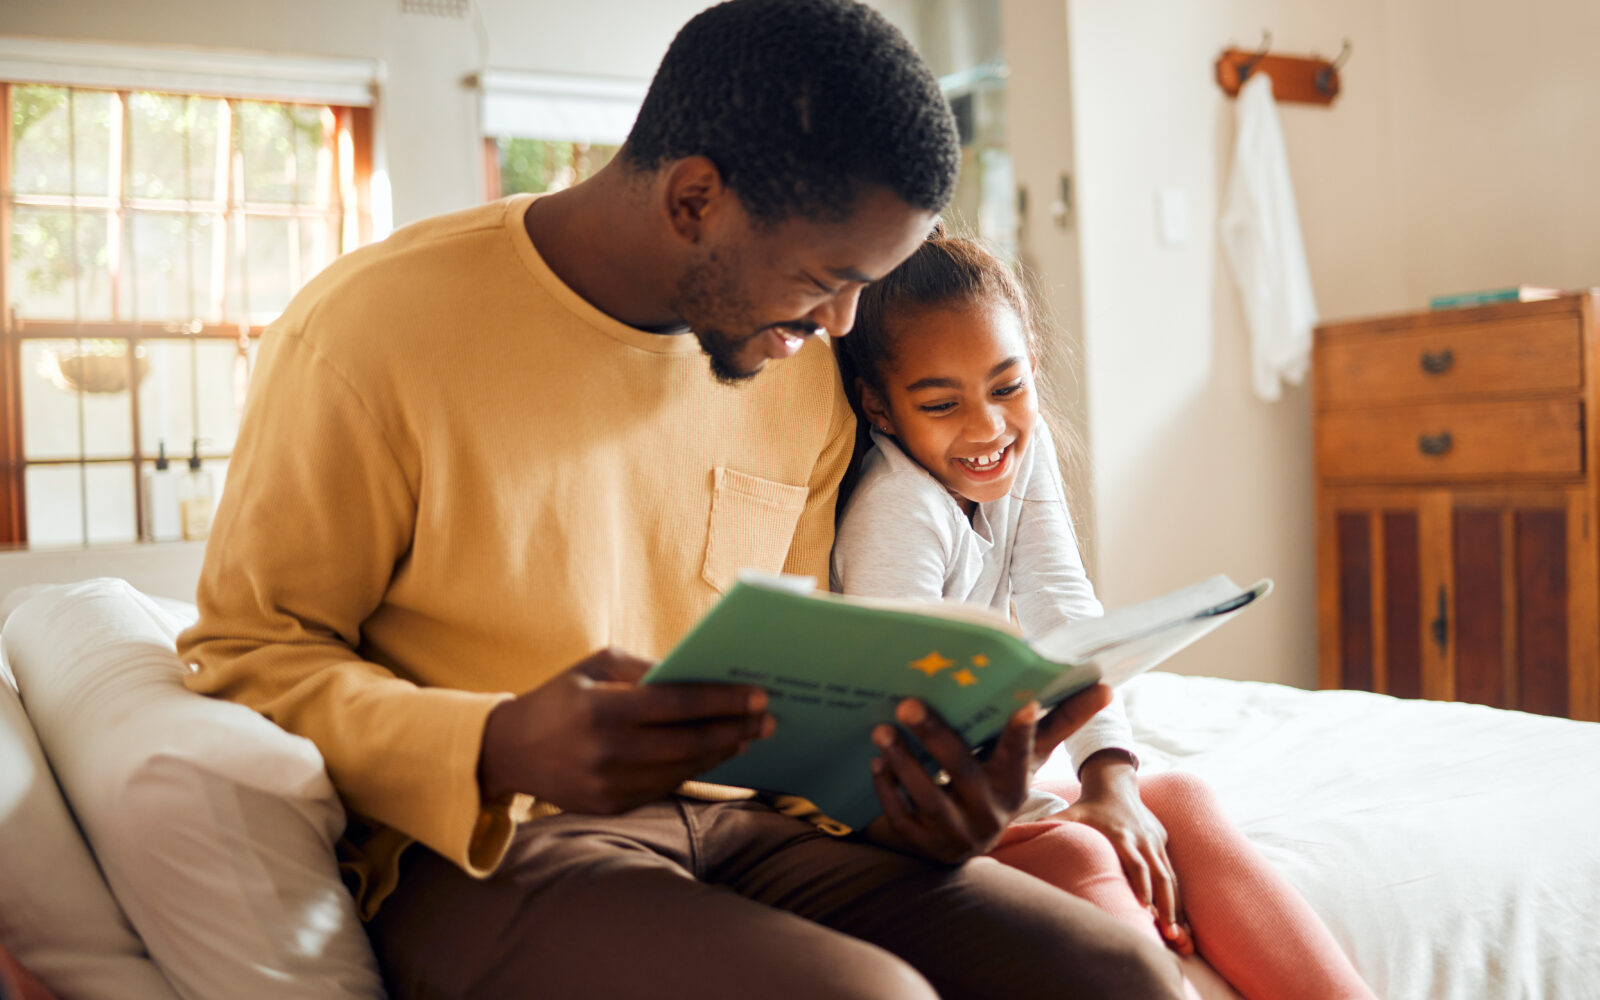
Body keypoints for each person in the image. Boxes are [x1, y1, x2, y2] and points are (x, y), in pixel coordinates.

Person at [177, 2, 1190, 997]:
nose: (842, 324)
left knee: (1119, 971)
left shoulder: (796, 364)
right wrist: (491, 741)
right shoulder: (369, 335)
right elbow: (248, 653)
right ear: (695, 199)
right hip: (494, 848)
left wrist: (913, 806)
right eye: (825, 278)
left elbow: (808, 674)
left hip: (761, 826)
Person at [831, 226, 1380, 1000]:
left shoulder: (1022, 446)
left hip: (998, 779)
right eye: (941, 403)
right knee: (1081, 856)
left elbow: (1061, 600)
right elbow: (894, 730)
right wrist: (1053, 813)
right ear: (880, 410)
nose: (988, 426)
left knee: (1179, 797)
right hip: (925, 818)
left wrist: (1110, 778)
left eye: (1007, 386)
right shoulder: (897, 510)